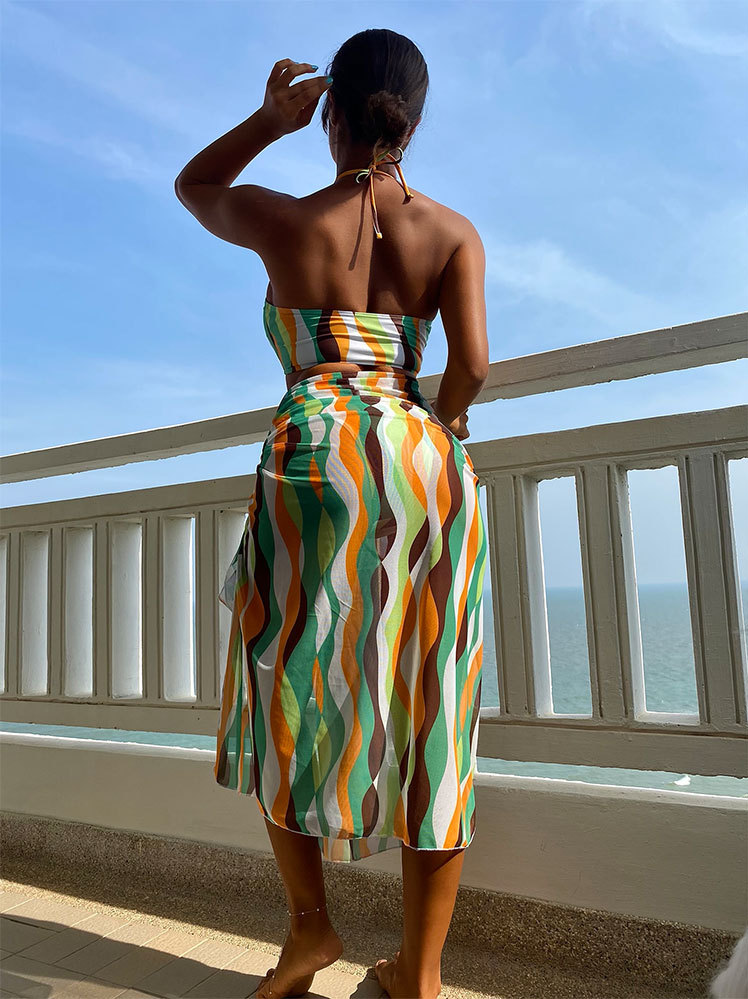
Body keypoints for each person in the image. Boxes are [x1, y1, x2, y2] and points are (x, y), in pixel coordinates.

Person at [175, 28, 489, 999]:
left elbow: (194, 186)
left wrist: (268, 121)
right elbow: (473, 367)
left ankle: (311, 929)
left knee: (286, 686)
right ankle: (420, 975)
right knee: (433, 705)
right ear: (414, 123)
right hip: (424, 463)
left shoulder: (286, 219)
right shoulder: (453, 232)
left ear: (334, 115)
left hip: (315, 457)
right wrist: (434, 429)